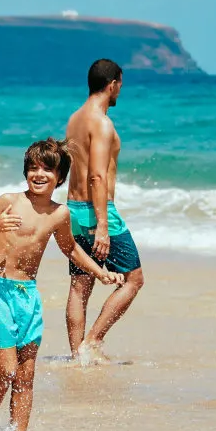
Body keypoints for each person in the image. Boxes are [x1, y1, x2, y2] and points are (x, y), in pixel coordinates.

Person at [0, 139, 124, 431]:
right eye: (33, 168)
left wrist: (100, 271)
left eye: (47, 169)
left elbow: (71, 249)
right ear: (25, 172)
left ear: (60, 178)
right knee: (6, 369)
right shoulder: (8, 201)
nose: (38, 174)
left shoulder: (60, 214)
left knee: (25, 373)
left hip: (28, 296)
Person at [63, 59, 145, 366]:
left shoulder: (74, 120)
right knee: (134, 279)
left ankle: (77, 355)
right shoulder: (101, 122)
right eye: (120, 85)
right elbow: (96, 176)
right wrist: (102, 227)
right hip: (98, 212)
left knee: (79, 284)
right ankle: (93, 341)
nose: (120, 91)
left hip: (73, 210)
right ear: (112, 84)